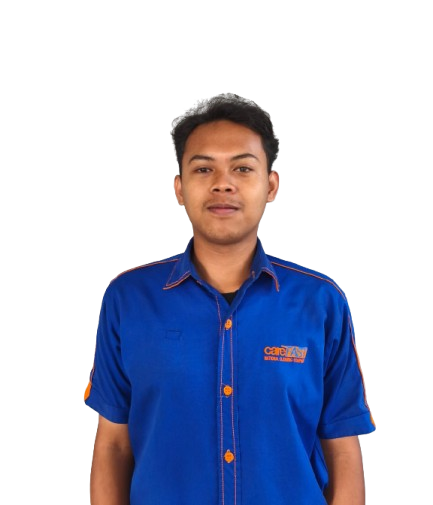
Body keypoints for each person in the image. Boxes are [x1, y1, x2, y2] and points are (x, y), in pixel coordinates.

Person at [84, 93, 375, 505]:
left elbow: (342, 448)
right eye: (204, 168)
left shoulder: (320, 302)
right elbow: (114, 446)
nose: (223, 183)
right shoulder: (129, 299)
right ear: (179, 188)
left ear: (270, 185)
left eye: (243, 168)